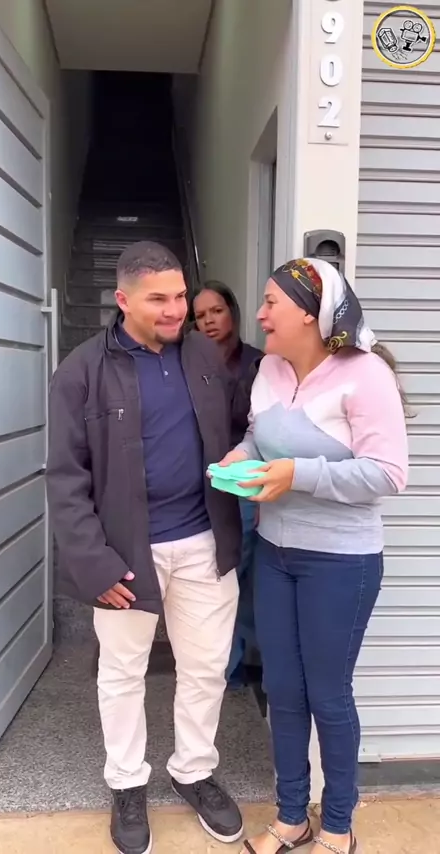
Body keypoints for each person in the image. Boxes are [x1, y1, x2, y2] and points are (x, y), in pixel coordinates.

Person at [46, 241, 245, 854]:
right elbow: (65, 477)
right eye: (159, 298)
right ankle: (128, 782)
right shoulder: (81, 371)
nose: (176, 309)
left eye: (181, 295)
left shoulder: (203, 354)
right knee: (122, 673)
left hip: (205, 542)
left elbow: (244, 421)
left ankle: (194, 769)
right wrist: (94, 563)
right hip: (126, 553)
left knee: (206, 667)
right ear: (123, 300)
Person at [217, 258, 409, 854]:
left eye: (272, 302)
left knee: (328, 693)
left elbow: (388, 474)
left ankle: (338, 826)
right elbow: (259, 436)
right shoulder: (270, 369)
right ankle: (292, 817)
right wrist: (241, 456)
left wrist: (298, 474)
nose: (260, 314)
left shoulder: (366, 375)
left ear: (310, 314)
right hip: (275, 554)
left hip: (341, 564)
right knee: (283, 689)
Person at [193, 281, 263, 687]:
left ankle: (236, 664)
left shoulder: (257, 364)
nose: (209, 321)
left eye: (216, 311)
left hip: (245, 483)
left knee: (240, 571)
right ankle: (224, 663)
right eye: (200, 316)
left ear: (232, 313)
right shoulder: (188, 364)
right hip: (203, 484)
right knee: (215, 574)